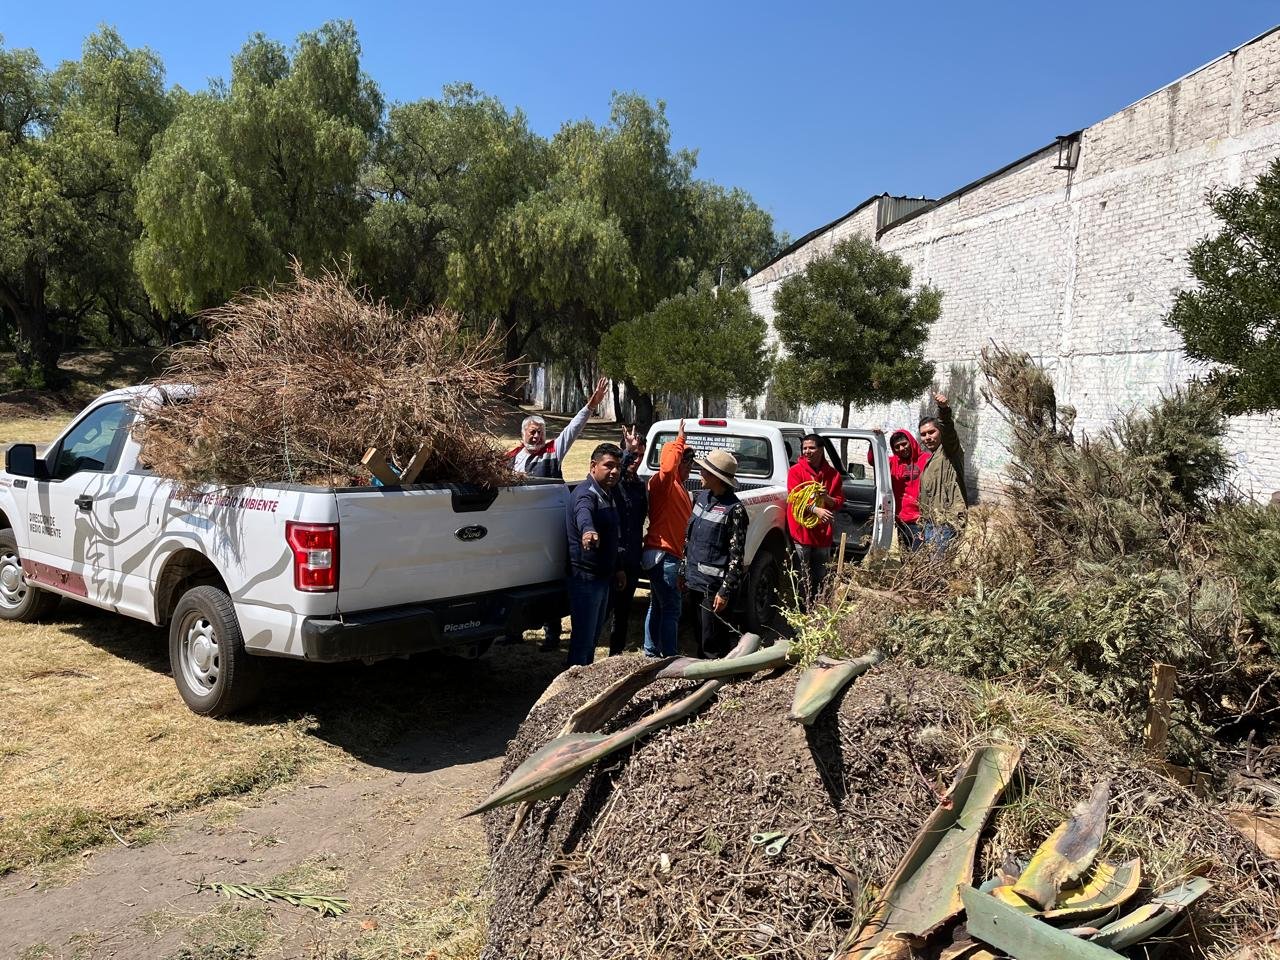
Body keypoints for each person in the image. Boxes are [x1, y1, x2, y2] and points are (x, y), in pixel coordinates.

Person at [509, 376, 609, 652]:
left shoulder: (553, 451)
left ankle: (552, 634)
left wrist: (590, 406)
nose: (535, 436)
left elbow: (573, 429)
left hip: (549, 530)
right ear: (523, 435)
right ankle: (513, 630)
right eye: (531, 432)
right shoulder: (512, 457)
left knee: (549, 579)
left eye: (539, 432)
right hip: (518, 532)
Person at [681, 449, 748, 659]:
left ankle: (713, 686)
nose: (699, 473)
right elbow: (690, 540)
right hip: (694, 582)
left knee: (713, 643)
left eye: (704, 471)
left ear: (717, 478)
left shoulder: (734, 510)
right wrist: (683, 572)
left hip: (713, 589)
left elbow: (736, 557)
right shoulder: (702, 498)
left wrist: (724, 592)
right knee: (699, 637)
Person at [564, 443, 626, 667]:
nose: (615, 471)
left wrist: (618, 568)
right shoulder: (585, 494)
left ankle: (582, 682)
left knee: (592, 640)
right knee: (582, 642)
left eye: (618, 466)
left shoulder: (607, 493)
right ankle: (570, 689)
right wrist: (588, 530)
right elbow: (583, 514)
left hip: (603, 578)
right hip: (585, 580)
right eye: (609, 465)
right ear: (593, 466)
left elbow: (613, 537)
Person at [641, 420, 695, 658]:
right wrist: (679, 440)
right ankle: (669, 656)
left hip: (667, 555)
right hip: (663, 555)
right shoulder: (663, 483)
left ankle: (651, 651)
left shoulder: (679, 487)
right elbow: (668, 465)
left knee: (658, 604)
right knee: (672, 609)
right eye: (687, 462)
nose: (690, 468)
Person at [786, 434, 844, 609]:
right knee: (802, 576)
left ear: (821, 449)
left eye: (811, 448)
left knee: (821, 574)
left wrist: (825, 498)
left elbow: (839, 501)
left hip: (822, 534)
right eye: (804, 448)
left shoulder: (833, 475)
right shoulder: (795, 471)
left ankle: (819, 608)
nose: (807, 451)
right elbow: (794, 498)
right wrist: (815, 509)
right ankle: (802, 610)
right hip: (801, 532)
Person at [607, 426, 648, 655]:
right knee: (603, 610)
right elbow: (617, 470)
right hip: (613, 557)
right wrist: (627, 450)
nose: (637, 460)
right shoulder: (615, 481)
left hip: (632, 557)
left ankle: (616, 653)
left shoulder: (640, 485)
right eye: (633, 455)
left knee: (623, 611)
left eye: (641, 455)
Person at [916, 392, 969, 551]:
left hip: (947, 522)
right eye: (923, 434)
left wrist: (944, 409)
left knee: (937, 569)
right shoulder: (930, 460)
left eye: (931, 432)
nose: (927, 437)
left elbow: (949, 432)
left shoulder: (949, 452)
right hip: (931, 523)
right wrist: (924, 525)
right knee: (932, 569)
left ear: (940, 433)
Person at [871, 428, 932, 551]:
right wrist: (875, 439)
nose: (901, 449)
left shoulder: (927, 459)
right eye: (897, 447)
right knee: (905, 555)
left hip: (920, 520)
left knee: (919, 557)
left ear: (911, 441)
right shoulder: (893, 462)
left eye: (904, 444)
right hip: (901, 519)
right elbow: (874, 461)